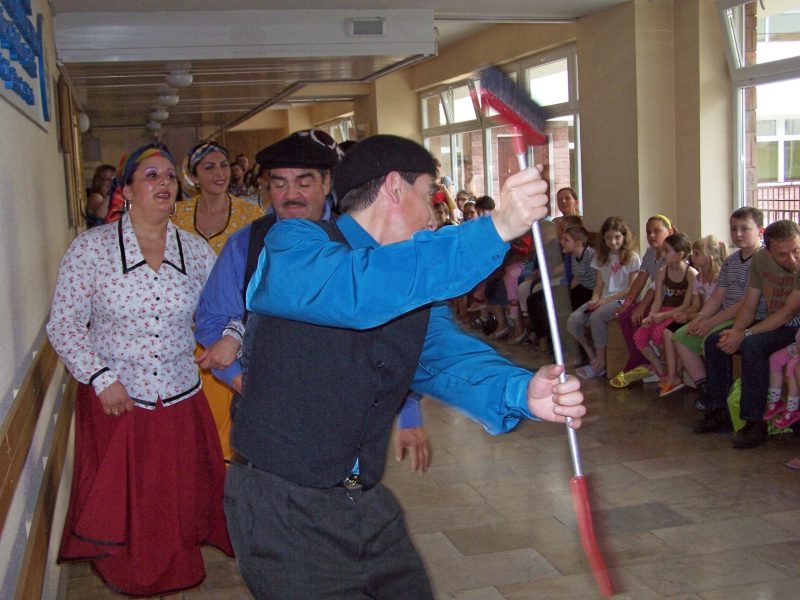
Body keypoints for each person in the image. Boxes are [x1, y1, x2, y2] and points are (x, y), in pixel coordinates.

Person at [226, 135, 586, 599]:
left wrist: (521, 391)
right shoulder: (293, 246)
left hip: (363, 502)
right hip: (284, 507)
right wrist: (495, 228)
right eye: (430, 196)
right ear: (395, 188)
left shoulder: (410, 284)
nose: (435, 216)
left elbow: (442, 354)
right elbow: (356, 291)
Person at [47, 143, 232, 596]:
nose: (164, 183)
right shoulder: (91, 249)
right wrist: (100, 377)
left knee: (174, 495)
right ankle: (128, 572)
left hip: (180, 396)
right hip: (117, 399)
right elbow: (64, 323)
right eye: (151, 175)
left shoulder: (196, 252)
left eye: (169, 176)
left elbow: (227, 312)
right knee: (127, 500)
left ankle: (175, 569)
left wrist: (231, 338)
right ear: (127, 190)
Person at [194, 130, 431, 470]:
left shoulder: (359, 244)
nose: (291, 195)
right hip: (265, 422)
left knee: (342, 496)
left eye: (304, 183)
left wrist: (408, 412)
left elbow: (396, 336)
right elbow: (212, 318)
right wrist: (241, 381)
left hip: (343, 419)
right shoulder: (246, 244)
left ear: (326, 183)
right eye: (279, 184)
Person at [172, 141, 263, 459]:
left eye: (223, 165)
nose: (219, 173)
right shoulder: (177, 215)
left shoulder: (251, 216)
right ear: (193, 175)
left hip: (230, 331)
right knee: (195, 419)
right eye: (208, 167)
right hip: (185, 332)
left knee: (229, 416)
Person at [696, 219, 800, 449]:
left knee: (753, 345)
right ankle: (719, 410)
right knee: (716, 341)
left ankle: (754, 421)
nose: (792, 260)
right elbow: (750, 303)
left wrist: (746, 334)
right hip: (772, 321)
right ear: (769, 252)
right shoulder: (760, 260)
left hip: (794, 327)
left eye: (796, 251)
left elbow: (787, 313)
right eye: (783, 255)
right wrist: (736, 331)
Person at [674, 208, 763, 408]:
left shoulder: (763, 259)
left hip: (749, 316)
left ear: (759, 230)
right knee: (681, 335)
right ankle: (706, 388)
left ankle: (719, 402)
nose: (738, 234)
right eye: (733, 229)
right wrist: (700, 317)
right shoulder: (731, 261)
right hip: (726, 314)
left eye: (744, 229)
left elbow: (747, 302)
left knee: (714, 340)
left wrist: (711, 322)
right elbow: (717, 296)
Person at [568, 216, 641, 379]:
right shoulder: (600, 256)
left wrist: (605, 301)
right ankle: (593, 357)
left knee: (597, 317)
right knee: (574, 320)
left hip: (623, 300)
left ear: (624, 237)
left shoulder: (632, 257)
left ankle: (600, 362)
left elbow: (632, 288)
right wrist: (595, 299)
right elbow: (599, 284)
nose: (613, 242)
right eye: (608, 237)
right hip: (604, 298)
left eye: (617, 237)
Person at [609, 214, 675, 388]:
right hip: (655, 300)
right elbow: (641, 279)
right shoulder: (650, 252)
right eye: (648, 232)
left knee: (637, 315)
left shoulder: (673, 254)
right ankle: (637, 358)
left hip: (668, 302)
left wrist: (641, 307)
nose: (651, 235)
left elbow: (656, 287)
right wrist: (627, 303)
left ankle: (649, 363)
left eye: (656, 231)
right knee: (625, 315)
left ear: (669, 232)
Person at [659, 235, 727, 398]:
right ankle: (673, 375)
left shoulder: (719, 279)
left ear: (709, 257)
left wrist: (691, 317)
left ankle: (710, 384)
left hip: (712, 318)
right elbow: (696, 305)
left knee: (698, 338)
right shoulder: (698, 278)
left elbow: (718, 307)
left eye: (696, 254)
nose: (692, 257)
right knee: (668, 332)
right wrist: (686, 315)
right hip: (698, 315)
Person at [632, 233, 697, 383]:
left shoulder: (691, 274)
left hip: (678, 313)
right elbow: (657, 300)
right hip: (663, 311)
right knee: (639, 336)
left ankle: (671, 367)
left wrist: (664, 316)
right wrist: (651, 315)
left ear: (680, 255)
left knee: (658, 334)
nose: (662, 254)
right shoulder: (662, 272)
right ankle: (660, 367)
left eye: (667, 251)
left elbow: (686, 305)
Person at [764, 328, 800, 429]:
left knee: (793, 364)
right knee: (774, 359)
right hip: (796, 346)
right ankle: (775, 401)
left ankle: (792, 408)